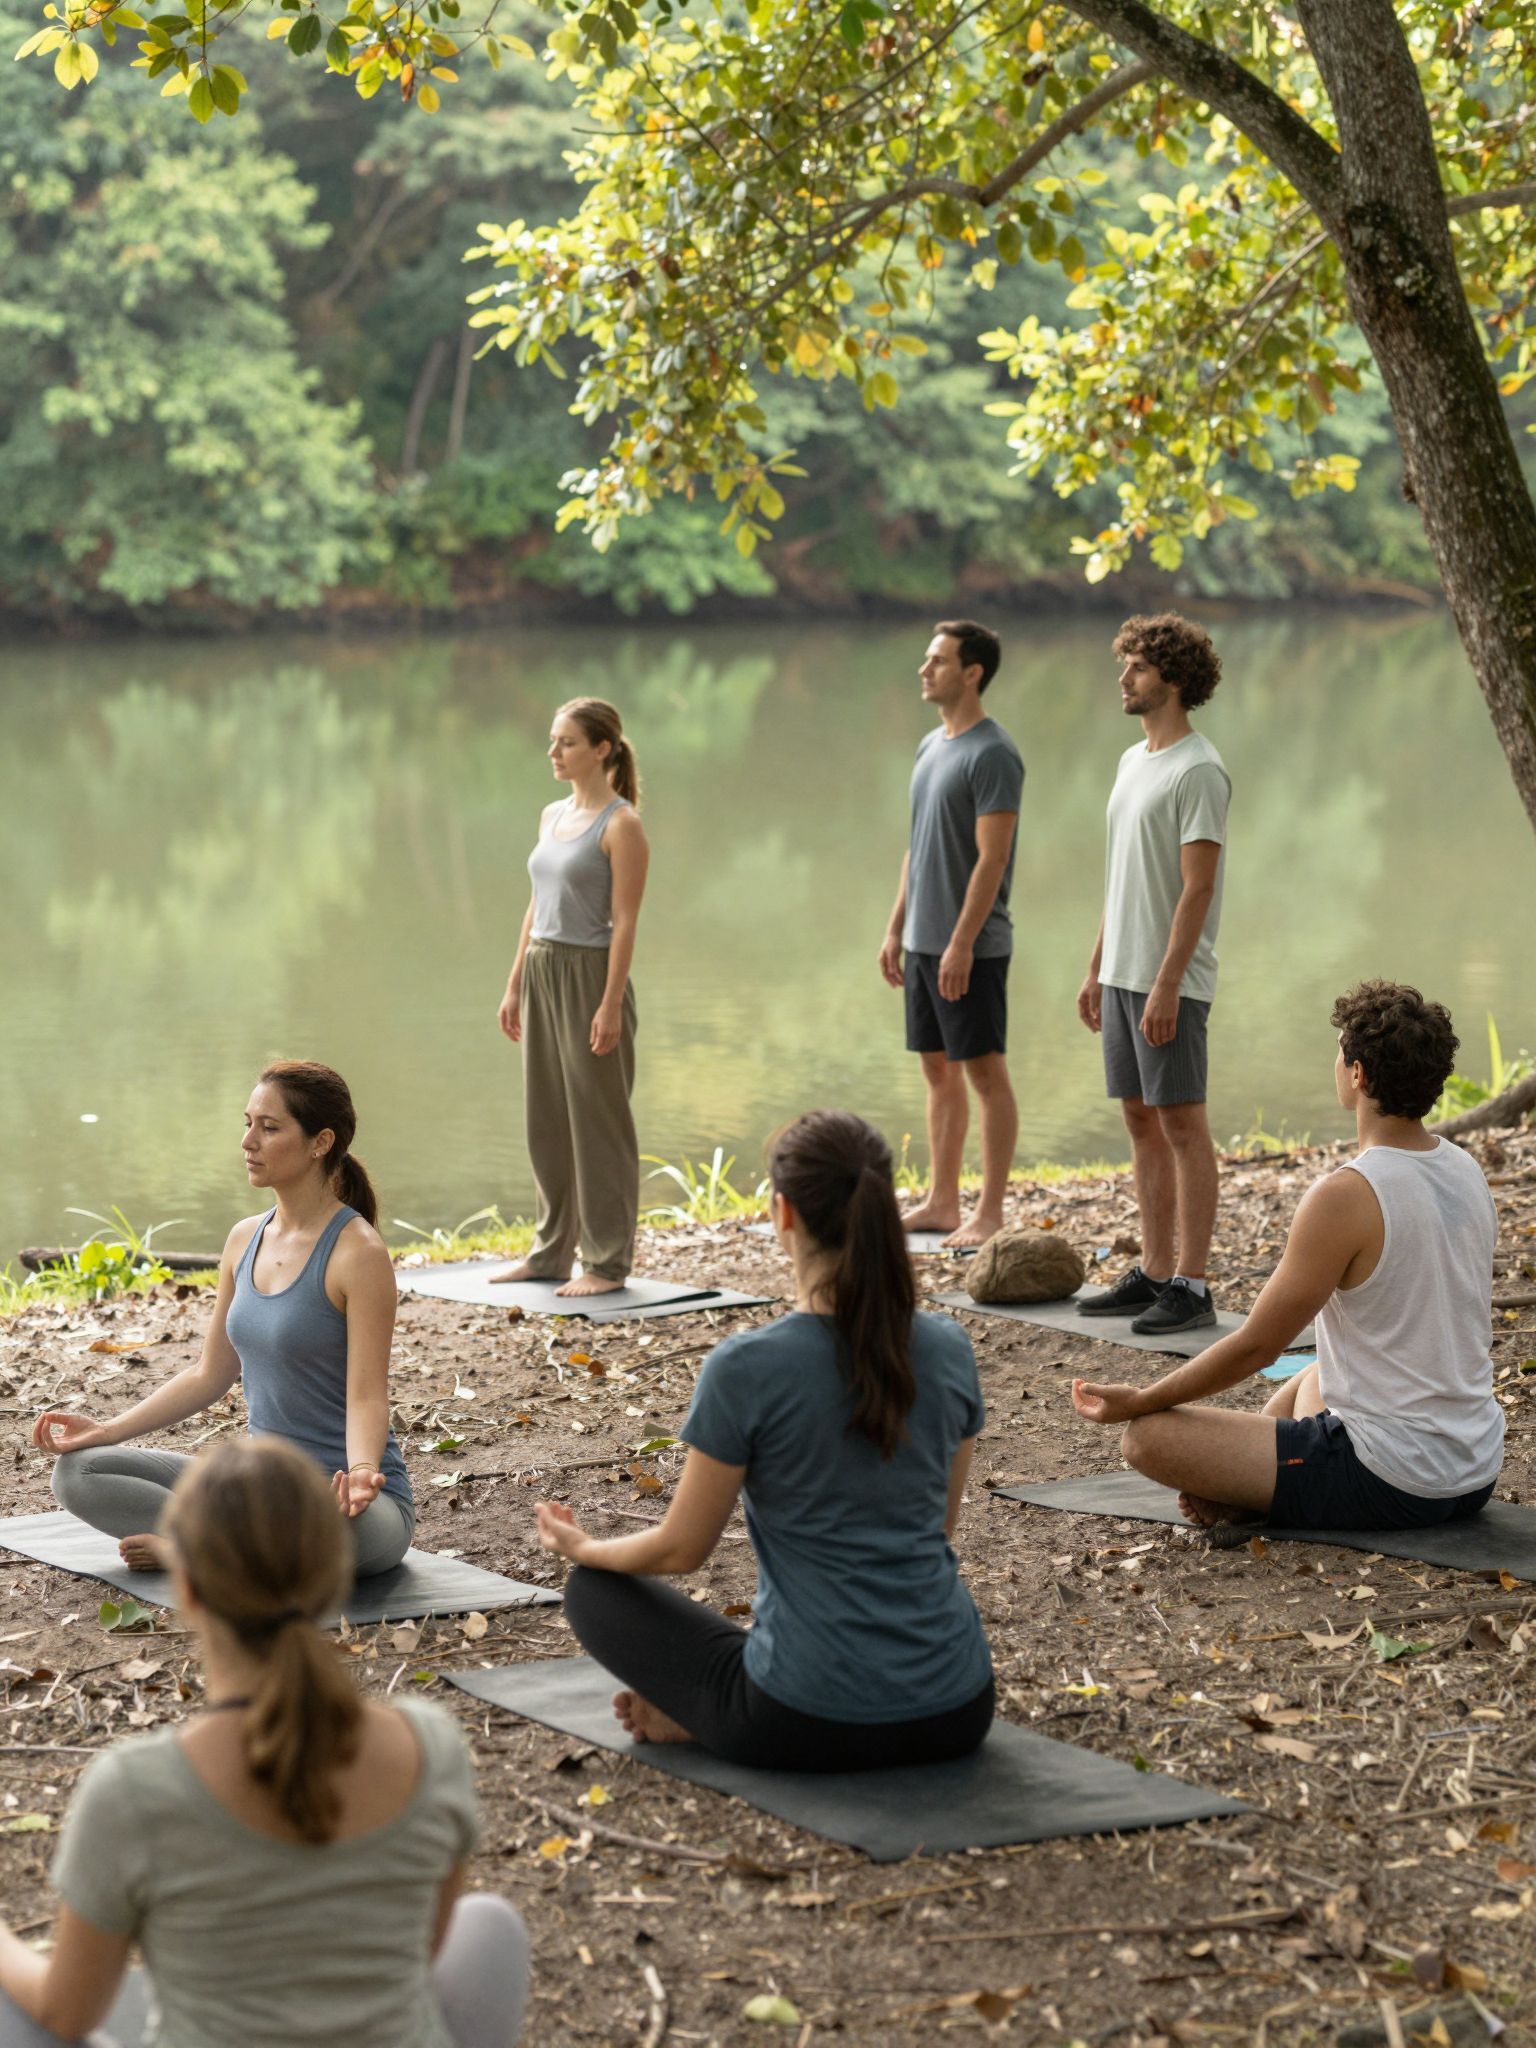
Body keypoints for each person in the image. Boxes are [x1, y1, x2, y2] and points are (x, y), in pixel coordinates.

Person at [0, 1438, 529, 2048]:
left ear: (188, 1588)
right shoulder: (432, 1744)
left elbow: (66, 2016)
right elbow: (418, 1960)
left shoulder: (134, 1790)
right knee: (489, 1925)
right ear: (334, 1576)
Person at [534, 1109, 994, 1769]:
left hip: (804, 1719)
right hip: (956, 1708)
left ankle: (697, 1715)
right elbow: (938, 1528)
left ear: (784, 1213)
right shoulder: (948, 1347)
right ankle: (719, 1698)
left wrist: (585, 1546)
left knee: (593, 1589)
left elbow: (681, 1548)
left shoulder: (747, 1368)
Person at [1072, 982, 1503, 1535]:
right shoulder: (1465, 1170)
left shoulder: (1346, 1195)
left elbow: (1257, 1346)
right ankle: (1245, 1486)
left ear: (1358, 1075)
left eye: (1341, 1052)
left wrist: (1142, 1399)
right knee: (1315, 1376)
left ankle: (1249, 1490)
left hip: (1393, 1478)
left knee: (1148, 1437)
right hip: (1474, 1468)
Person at [34, 1060, 415, 1579]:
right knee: (79, 1473)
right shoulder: (244, 1239)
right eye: (248, 1122)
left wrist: (365, 1473)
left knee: (320, 1528)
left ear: (320, 1142)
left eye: (270, 1127)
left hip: (348, 1505)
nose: (248, 1142)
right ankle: (229, 1547)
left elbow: (367, 1394)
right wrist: (107, 1429)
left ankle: (201, 1553)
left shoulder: (358, 1254)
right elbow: (210, 1373)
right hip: (260, 1492)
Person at [1076, 613, 1231, 1336]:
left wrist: (1169, 982)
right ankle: (1156, 1271)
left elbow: (1196, 887)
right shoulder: (1131, 761)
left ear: (1170, 676)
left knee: (1181, 1122)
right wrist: (1097, 963)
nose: (1124, 678)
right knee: (1140, 1120)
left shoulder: (1199, 769)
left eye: (1136, 666)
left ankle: (1193, 1285)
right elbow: (1123, 877)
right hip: (1123, 971)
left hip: (1171, 977)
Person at [490, 698, 649, 1298]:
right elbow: (535, 908)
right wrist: (513, 985)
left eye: (567, 743)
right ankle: (551, 1251)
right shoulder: (550, 815)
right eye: (553, 741)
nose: (553, 752)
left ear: (601, 749)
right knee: (547, 1118)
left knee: (598, 1123)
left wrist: (609, 1004)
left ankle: (607, 1262)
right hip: (541, 970)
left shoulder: (621, 824)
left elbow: (626, 921)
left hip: (590, 975)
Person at [879, 621, 1023, 1250]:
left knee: (985, 1074)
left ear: (972, 673)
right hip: (922, 942)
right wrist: (897, 928)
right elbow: (918, 846)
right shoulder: (929, 746)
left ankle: (988, 1211)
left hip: (973, 946)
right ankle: (942, 1201)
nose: (924, 669)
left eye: (938, 661)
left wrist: (963, 941)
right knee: (937, 1072)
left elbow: (992, 858)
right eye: (926, 658)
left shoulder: (994, 753)